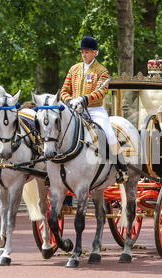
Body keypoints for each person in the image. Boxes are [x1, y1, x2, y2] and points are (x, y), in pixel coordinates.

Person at [60, 36, 128, 184]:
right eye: (82, 52)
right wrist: (70, 100)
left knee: (109, 133)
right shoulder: (74, 69)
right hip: (74, 109)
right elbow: (64, 90)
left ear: (95, 53)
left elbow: (102, 92)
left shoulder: (102, 71)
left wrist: (85, 99)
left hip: (94, 110)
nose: (84, 55)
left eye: (87, 52)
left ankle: (121, 168)